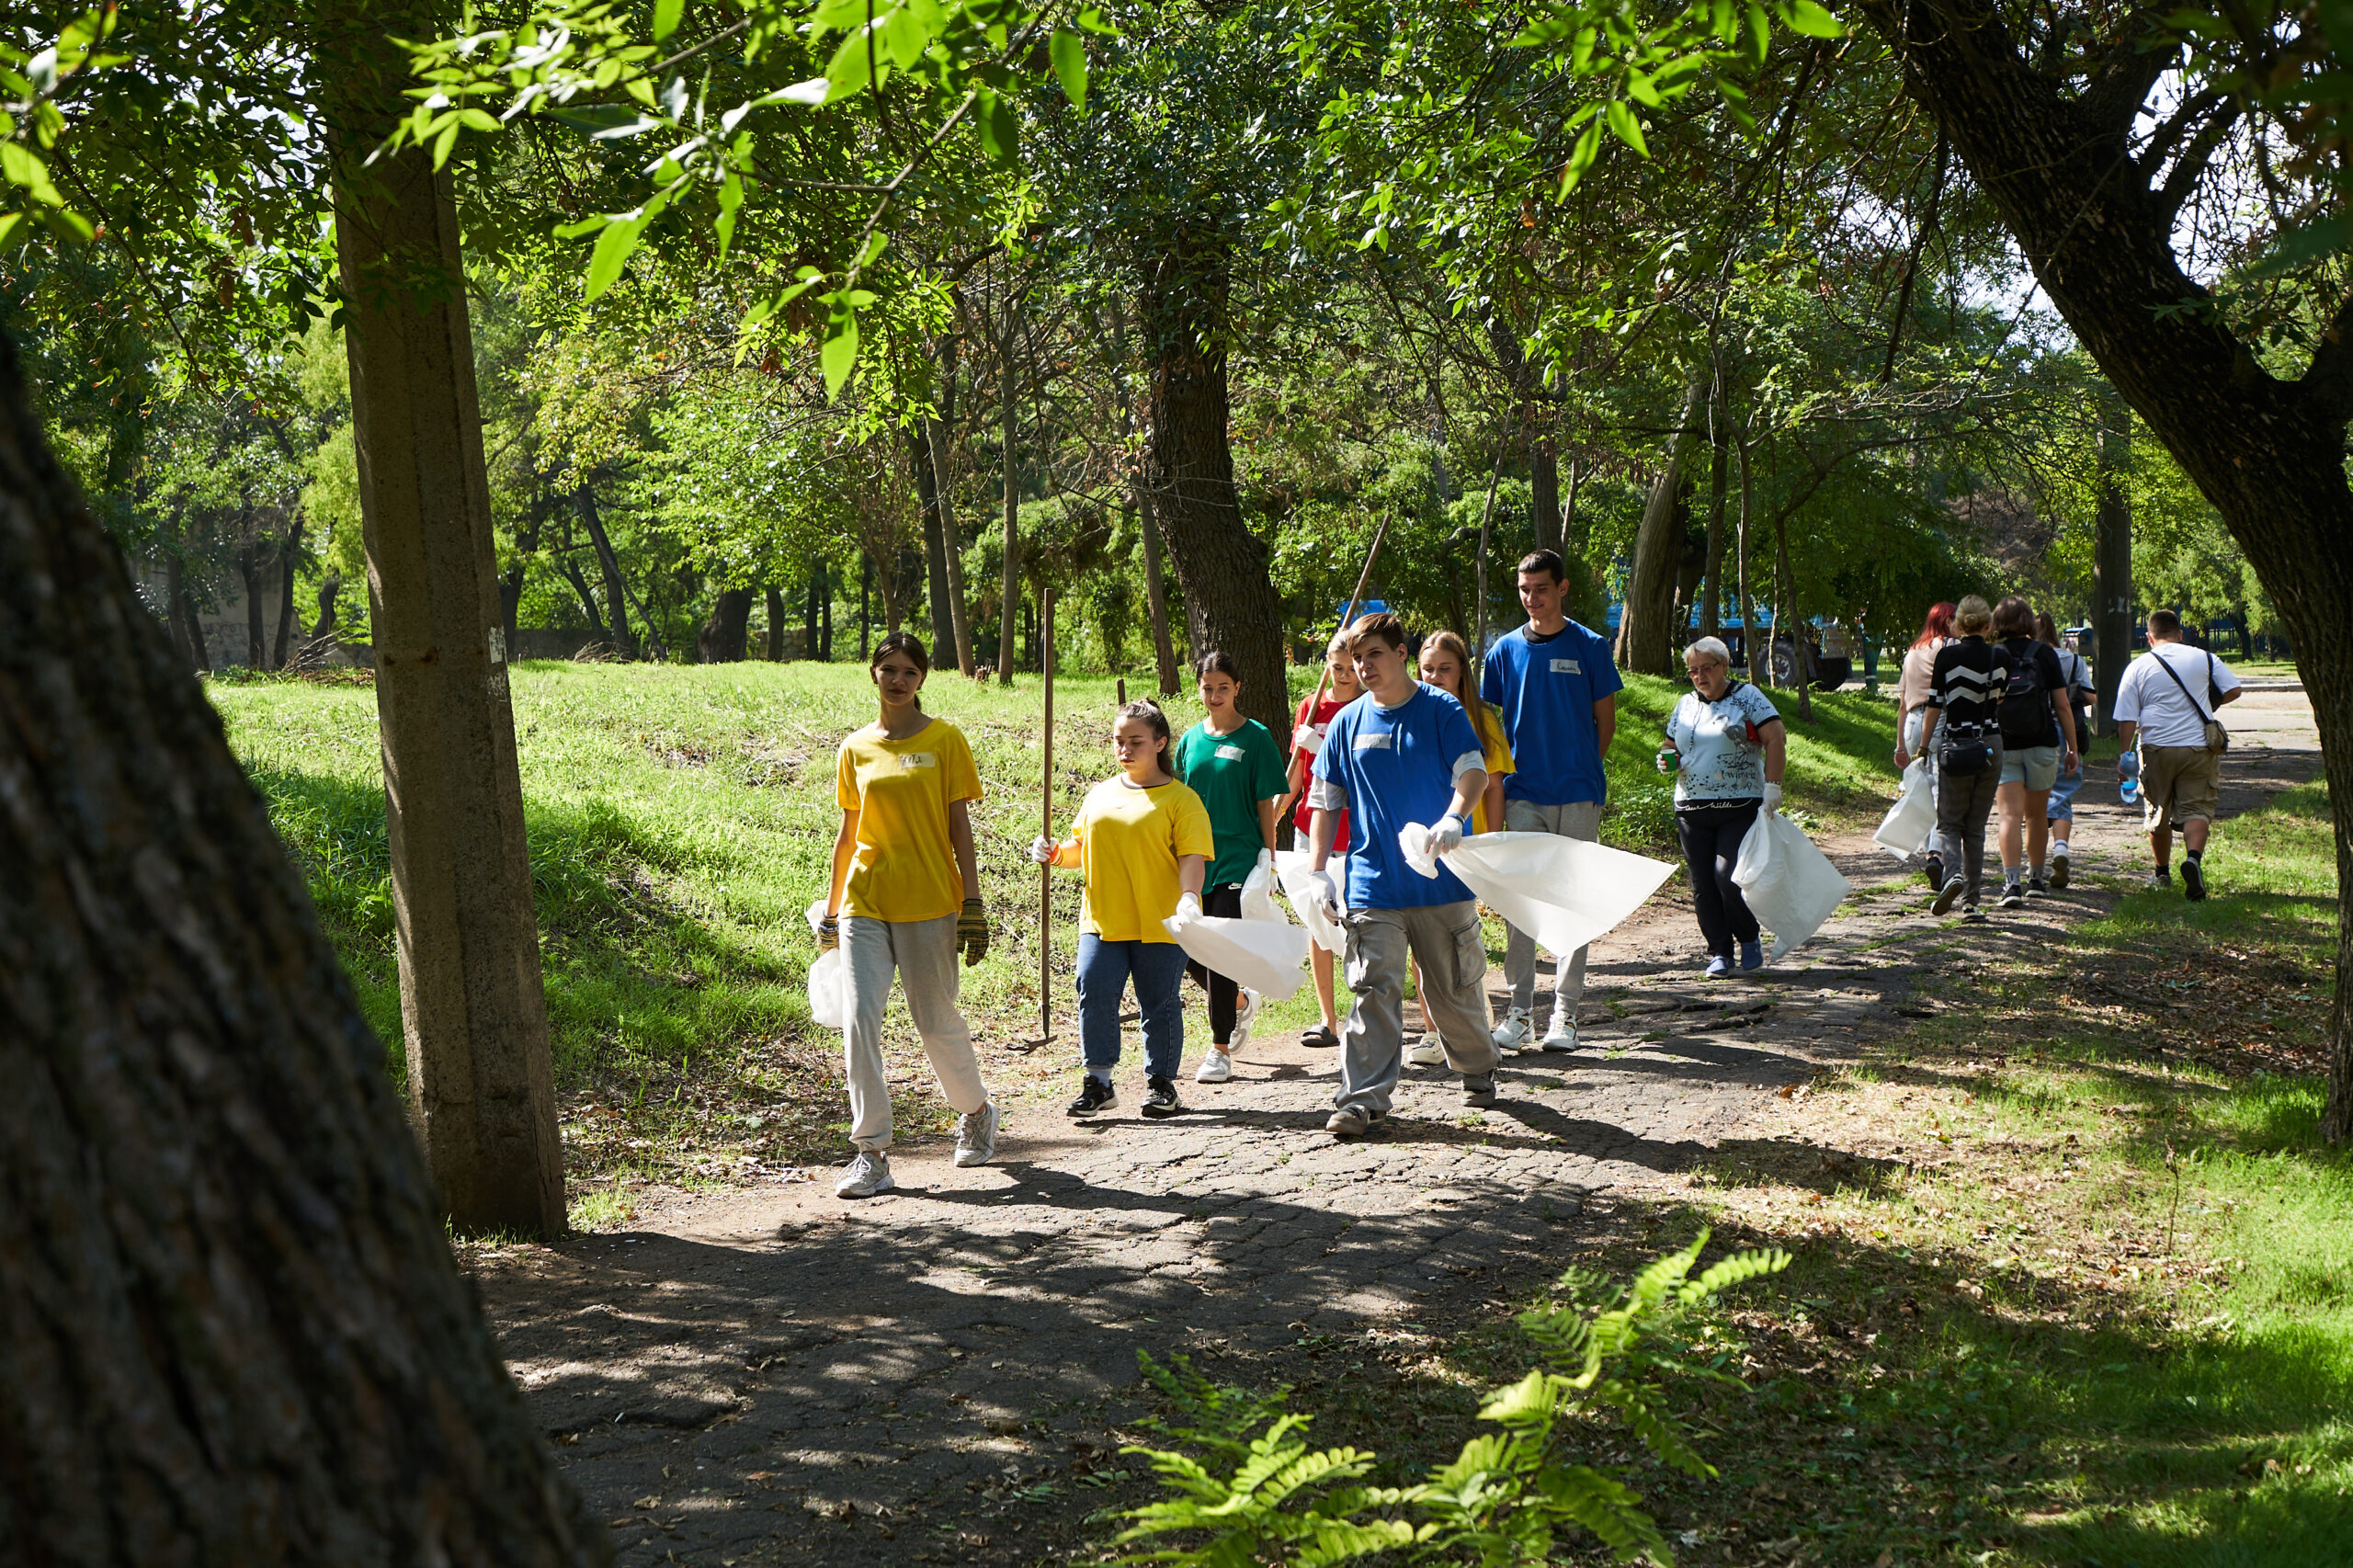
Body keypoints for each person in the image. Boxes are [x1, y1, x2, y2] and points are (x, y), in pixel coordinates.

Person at [1303, 612, 1503, 1136]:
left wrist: (1453, 817)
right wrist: (1319, 870)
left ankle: (1478, 1068)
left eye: (1373, 655)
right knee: (1373, 986)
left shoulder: (1439, 709)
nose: (1363, 666)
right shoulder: (1348, 721)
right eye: (1355, 658)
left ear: (1399, 653)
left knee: (1452, 991)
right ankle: (1360, 1099)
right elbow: (1325, 799)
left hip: (1440, 880)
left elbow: (1473, 771)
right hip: (1374, 883)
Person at [821, 632, 999, 1199]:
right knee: (859, 1022)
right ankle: (870, 1151)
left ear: (922, 679)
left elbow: (959, 828)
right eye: (888, 670)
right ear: (872, 674)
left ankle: (974, 1111)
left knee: (934, 1018)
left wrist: (971, 901)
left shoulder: (945, 740)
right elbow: (849, 835)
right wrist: (830, 913)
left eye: (909, 672)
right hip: (864, 902)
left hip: (930, 902)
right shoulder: (855, 748)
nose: (898, 680)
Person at [1032, 701, 1212, 1118]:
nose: (1125, 749)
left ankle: (1161, 1084)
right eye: (1118, 741)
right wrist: (1055, 852)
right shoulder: (1100, 793)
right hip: (1102, 917)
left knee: (1159, 1002)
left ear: (1160, 743)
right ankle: (1099, 1083)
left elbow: (1192, 855)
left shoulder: (1181, 800)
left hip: (1162, 919)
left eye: (1136, 741)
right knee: (1092, 989)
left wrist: (1189, 895)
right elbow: (1082, 847)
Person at [1478, 550, 1622, 1051]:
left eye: (1540, 588)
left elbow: (1605, 722)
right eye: (1524, 590)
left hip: (1579, 793)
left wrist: (1582, 767)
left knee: (1570, 902)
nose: (1532, 599)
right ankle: (1518, 1012)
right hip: (1522, 793)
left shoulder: (1590, 645)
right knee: (1523, 903)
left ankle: (1566, 1014)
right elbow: (1486, 722)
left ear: (1562, 588)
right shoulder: (1503, 651)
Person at [1173, 651, 1288, 1085]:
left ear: (1237, 688)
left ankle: (1219, 1048)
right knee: (1186, 944)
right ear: (1198, 689)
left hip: (1239, 857)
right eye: (1208, 688)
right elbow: (1177, 803)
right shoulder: (1188, 742)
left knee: (1217, 946)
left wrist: (1269, 858)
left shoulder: (1256, 738)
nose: (1216, 695)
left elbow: (1265, 805)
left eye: (1224, 687)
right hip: (1194, 858)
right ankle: (1239, 1002)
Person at [1404, 630, 1514, 1064]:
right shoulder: (1409, 715)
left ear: (1462, 671)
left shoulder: (1482, 720)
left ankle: (1471, 1022)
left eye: (1444, 669)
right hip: (1423, 841)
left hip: (1467, 843)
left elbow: (1493, 786)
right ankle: (1432, 1030)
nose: (1434, 676)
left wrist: (1492, 839)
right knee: (1418, 935)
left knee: (1458, 938)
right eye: (1427, 669)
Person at [1661, 637, 1787, 977]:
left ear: (1723, 666)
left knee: (1727, 877)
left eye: (1706, 669)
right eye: (1692, 671)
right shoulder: (1685, 704)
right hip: (1691, 807)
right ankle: (1719, 951)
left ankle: (1748, 937)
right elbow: (1671, 743)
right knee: (1702, 883)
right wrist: (1668, 758)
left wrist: (1773, 785)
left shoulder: (1748, 697)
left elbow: (1776, 737)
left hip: (1739, 803)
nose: (1699, 676)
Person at [2113, 608, 2243, 900]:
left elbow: (2126, 720)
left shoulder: (2138, 666)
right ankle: (2193, 859)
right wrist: (2210, 701)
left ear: (2149, 637)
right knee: (2198, 808)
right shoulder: (2205, 658)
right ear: (2180, 634)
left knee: (2158, 808)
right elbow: (2234, 688)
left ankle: (2162, 874)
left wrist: (2124, 756)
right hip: (2198, 746)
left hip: (2156, 747)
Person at [1281, 632, 1362, 1049]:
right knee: (1317, 920)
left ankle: (1363, 1012)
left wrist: (1327, 745)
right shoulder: (1309, 706)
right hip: (1308, 827)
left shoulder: (1369, 707)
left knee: (1358, 923)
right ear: (1325, 665)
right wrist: (1279, 805)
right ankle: (1327, 1019)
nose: (1346, 675)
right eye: (1337, 667)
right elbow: (1298, 772)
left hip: (1353, 831)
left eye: (1352, 667)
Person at [1916, 596, 2004, 922]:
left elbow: (1935, 704)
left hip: (1955, 745)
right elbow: (1999, 699)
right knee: (1976, 826)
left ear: (1959, 624)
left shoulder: (1947, 657)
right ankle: (1972, 902)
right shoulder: (2000, 656)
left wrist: (1924, 746)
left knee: (1950, 822)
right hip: (1990, 744)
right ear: (1987, 623)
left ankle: (1951, 874)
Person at [1988, 597, 2078, 906]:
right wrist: (2072, 748)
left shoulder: (1992, 655)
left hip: (2004, 744)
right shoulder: (2045, 654)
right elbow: (2063, 705)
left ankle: (2011, 885)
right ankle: (2036, 879)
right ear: (2029, 621)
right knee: (2037, 814)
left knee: (2008, 816)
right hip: (2042, 741)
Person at [1893, 601, 1956, 890]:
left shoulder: (1913, 652)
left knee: (1923, 789)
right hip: (1938, 718)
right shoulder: (1950, 647)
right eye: (1955, 618)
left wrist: (1899, 746)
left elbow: (1903, 703)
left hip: (1912, 724)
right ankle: (1936, 853)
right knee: (1941, 790)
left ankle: (1929, 850)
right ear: (1946, 620)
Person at [2037, 611, 2096, 890]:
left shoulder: (2023, 657)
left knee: (2033, 798)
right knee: (2062, 790)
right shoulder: (2073, 660)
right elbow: (2091, 696)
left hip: (2030, 731)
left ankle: (2032, 867)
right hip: (2064, 729)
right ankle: (2060, 848)